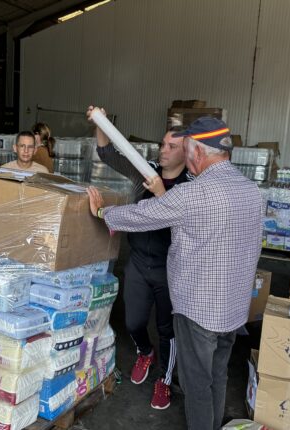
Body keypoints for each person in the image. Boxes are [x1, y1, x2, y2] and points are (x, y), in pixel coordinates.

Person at [86, 116, 263, 430]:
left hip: (199, 312)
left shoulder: (193, 194)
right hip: (234, 310)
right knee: (217, 376)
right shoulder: (250, 190)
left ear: (195, 152)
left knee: (197, 384)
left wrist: (102, 212)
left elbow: (142, 215)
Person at [88, 106, 193, 410]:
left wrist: (162, 193)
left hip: (169, 268)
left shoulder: (191, 186)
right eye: (163, 144)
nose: (164, 151)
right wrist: (101, 121)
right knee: (133, 322)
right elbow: (108, 154)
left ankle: (164, 380)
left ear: (186, 153)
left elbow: (184, 223)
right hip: (137, 262)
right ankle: (144, 352)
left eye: (172, 147)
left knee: (166, 329)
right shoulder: (145, 170)